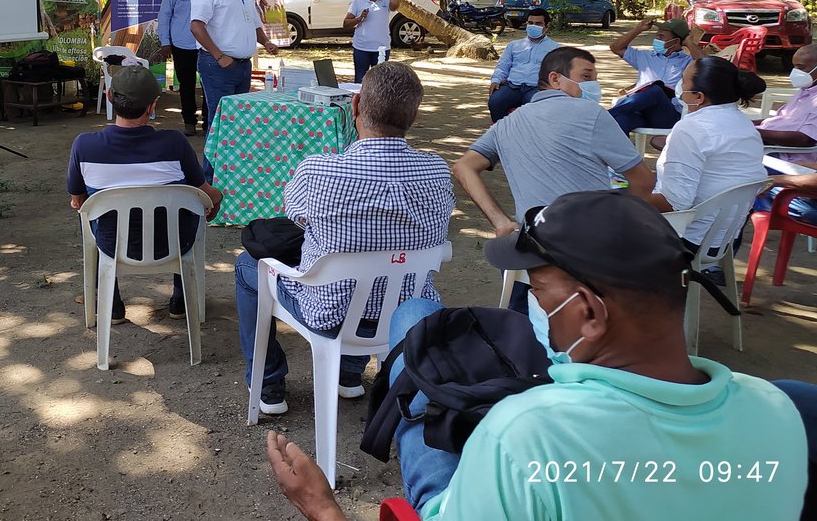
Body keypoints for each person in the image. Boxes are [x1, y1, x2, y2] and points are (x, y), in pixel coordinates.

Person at [267, 191, 809, 521]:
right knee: (418, 318)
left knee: (417, 338)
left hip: (492, 473)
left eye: (540, 295)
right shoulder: (780, 408)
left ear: (591, 314)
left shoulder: (526, 436)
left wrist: (321, 505)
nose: (537, 312)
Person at [234, 62, 453, 414]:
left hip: (329, 313)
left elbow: (293, 212)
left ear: (354, 106)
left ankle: (268, 383)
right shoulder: (438, 171)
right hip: (405, 309)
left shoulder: (318, 169)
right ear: (413, 116)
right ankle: (349, 375)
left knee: (248, 266)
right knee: (381, 265)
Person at [66, 65, 222, 322]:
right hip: (173, 244)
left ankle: (111, 305)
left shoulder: (84, 145)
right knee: (185, 210)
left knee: (89, 214)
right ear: (153, 106)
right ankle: (180, 301)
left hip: (111, 245)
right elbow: (204, 193)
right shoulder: (175, 143)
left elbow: (77, 201)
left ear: (109, 97)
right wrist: (216, 199)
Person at [454, 46, 655, 238]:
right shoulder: (591, 113)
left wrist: (501, 222)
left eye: (595, 80)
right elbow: (643, 181)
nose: (594, 86)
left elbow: (463, 166)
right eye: (586, 77)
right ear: (555, 79)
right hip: (591, 242)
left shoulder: (505, 124)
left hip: (533, 243)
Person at [643, 56, 767, 250]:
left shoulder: (691, 127)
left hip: (685, 239)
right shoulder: (745, 124)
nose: (679, 86)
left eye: (683, 81)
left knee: (601, 216)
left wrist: (633, 197)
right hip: (723, 239)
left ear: (698, 96)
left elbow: (676, 202)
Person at [190, 0, 279, 177]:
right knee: (220, 123)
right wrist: (219, 56)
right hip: (217, 64)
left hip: (242, 65)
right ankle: (208, 179)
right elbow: (196, 26)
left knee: (237, 122)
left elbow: (254, 24)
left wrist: (266, 42)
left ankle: (230, 174)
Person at [608, 17, 703, 134]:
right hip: (640, 112)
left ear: (676, 41)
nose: (657, 39)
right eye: (657, 35)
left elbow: (709, 66)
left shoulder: (688, 62)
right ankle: (622, 149)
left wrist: (689, 42)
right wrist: (638, 29)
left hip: (667, 115)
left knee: (656, 90)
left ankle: (605, 116)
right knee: (619, 122)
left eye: (661, 37)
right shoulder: (645, 56)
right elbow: (616, 48)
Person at [157, 0, 209, 136]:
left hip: (207, 45)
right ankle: (189, 121)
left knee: (208, 85)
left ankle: (208, 122)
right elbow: (164, 16)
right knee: (186, 86)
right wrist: (165, 42)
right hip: (182, 45)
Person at [487, 7, 558, 121]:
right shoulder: (514, 45)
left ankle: (527, 137)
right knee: (495, 101)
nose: (533, 26)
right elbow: (503, 66)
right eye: (530, 23)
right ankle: (501, 134)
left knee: (534, 109)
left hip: (537, 88)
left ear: (547, 26)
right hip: (512, 86)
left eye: (538, 23)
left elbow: (559, 74)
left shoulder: (555, 49)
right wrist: (495, 80)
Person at [758, 44, 817, 151]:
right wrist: (745, 123)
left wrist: (752, 132)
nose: (794, 72)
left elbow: (805, 139)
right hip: (765, 141)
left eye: (801, 67)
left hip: (781, 153)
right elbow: (781, 120)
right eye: (794, 66)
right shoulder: (804, 91)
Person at [343, 0, 399, 83]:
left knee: (380, 81)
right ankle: (360, 100)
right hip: (361, 47)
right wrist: (360, 18)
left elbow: (395, 5)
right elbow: (346, 23)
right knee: (360, 79)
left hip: (381, 48)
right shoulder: (358, 2)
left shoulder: (386, 1)